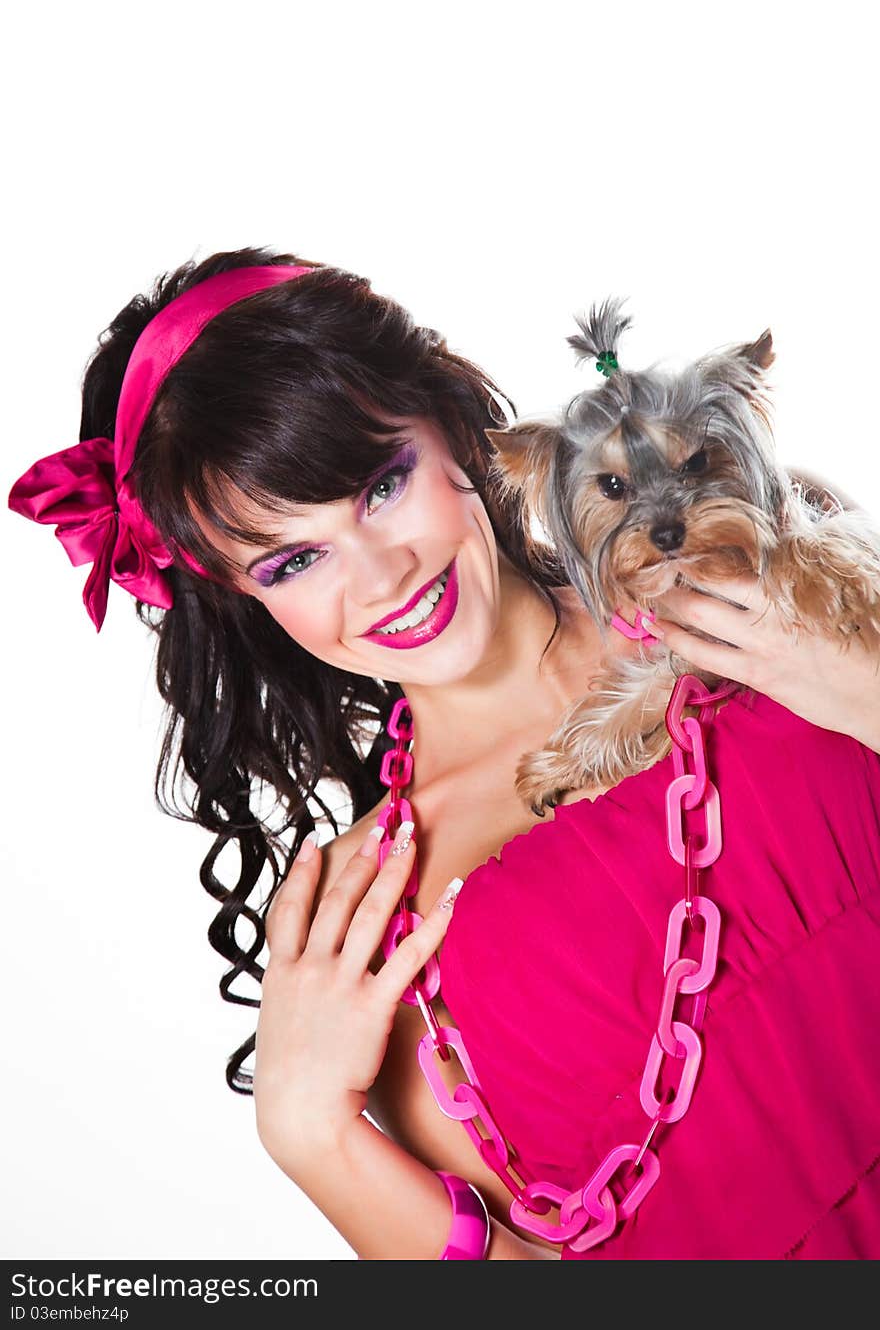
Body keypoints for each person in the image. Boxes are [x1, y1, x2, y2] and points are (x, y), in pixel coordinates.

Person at [9, 248, 880, 1260]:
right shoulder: (359, 922)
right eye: (294, 558)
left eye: (381, 487)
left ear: (455, 428)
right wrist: (315, 1136)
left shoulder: (778, 575)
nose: (384, 576)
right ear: (243, 597)